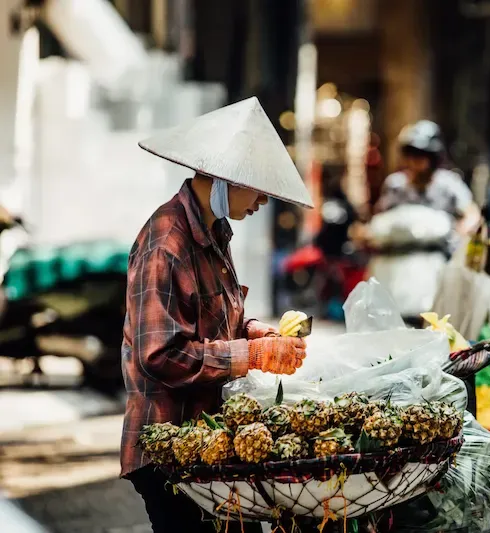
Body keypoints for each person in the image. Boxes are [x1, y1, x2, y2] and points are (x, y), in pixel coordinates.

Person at [121, 97, 313, 533]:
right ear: (227, 178)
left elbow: (217, 320)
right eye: (259, 188)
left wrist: (257, 332)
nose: (264, 201)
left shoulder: (213, 232)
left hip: (210, 444)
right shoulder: (165, 243)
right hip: (168, 448)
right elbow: (161, 355)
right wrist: (251, 354)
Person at [375, 120, 481, 234]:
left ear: (433, 158)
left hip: (440, 248)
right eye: (411, 154)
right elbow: (380, 219)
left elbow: (471, 213)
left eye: (421, 155)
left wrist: (462, 230)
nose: (415, 160)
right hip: (400, 247)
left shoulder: (449, 184)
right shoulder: (395, 185)